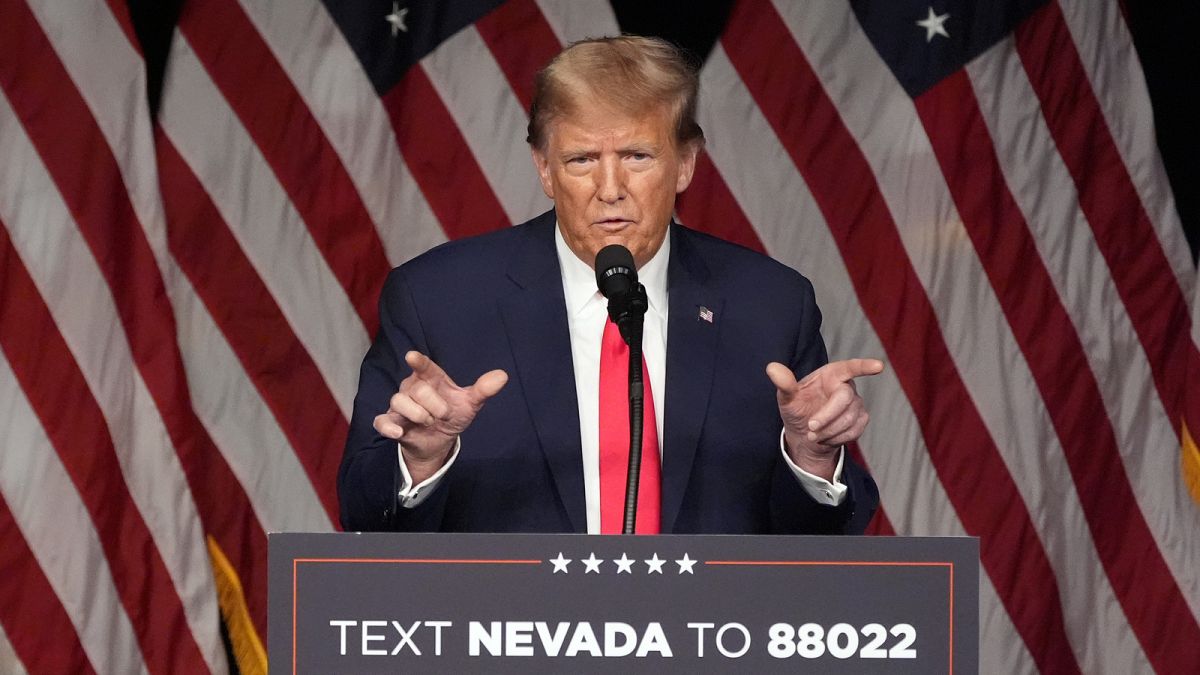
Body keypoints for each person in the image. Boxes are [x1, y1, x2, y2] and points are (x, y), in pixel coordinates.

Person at [338, 35, 883, 535]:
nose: (610, 189)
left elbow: (829, 541)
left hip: (710, 637)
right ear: (545, 169)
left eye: (636, 157)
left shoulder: (770, 305)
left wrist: (811, 460)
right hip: (509, 634)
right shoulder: (439, 300)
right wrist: (421, 462)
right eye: (581, 160)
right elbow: (361, 512)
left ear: (686, 164)